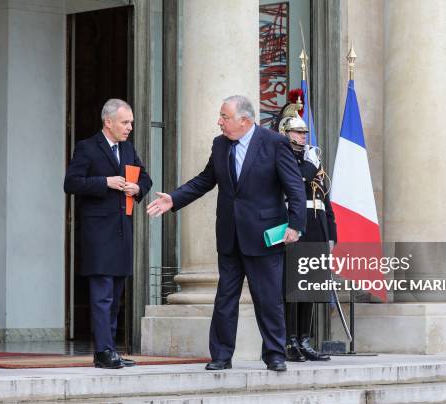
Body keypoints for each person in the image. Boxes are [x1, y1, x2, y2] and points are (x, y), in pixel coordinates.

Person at [147, 95, 306, 372]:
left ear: (244, 120)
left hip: (265, 235)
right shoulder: (220, 145)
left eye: (224, 116)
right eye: (220, 116)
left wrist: (296, 225)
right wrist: (174, 199)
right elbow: (205, 180)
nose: (219, 121)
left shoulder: (274, 143)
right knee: (224, 299)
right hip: (230, 236)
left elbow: (294, 187)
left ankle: (274, 355)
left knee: (268, 299)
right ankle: (221, 355)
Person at [64, 99, 152, 369]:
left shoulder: (127, 148)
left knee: (116, 294)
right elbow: (71, 183)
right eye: (125, 122)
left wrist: (137, 189)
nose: (130, 128)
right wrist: (106, 182)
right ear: (108, 122)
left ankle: (111, 348)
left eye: (131, 122)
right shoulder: (87, 148)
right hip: (98, 233)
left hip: (122, 231)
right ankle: (102, 351)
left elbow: (145, 178)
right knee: (102, 294)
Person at [274, 95, 336, 362]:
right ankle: (288, 341)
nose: (302, 136)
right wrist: (308, 168)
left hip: (316, 227)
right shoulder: (285, 158)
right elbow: (296, 184)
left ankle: (304, 340)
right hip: (293, 226)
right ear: (284, 133)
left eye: (303, 132)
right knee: (292, 288)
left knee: (311, 287)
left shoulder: (312, 160)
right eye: (297, 132)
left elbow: (325, 198)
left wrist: (331, 233)